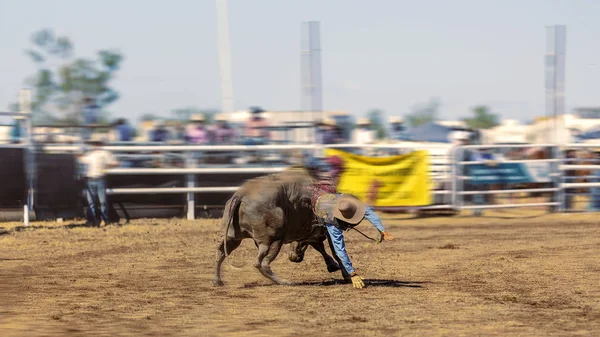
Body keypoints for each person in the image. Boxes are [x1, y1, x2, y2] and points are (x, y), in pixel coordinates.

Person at [77, 135, 118, 226]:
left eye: (96, 143)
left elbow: (114, 163)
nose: (95, 145)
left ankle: (101, 220)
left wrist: (106, 167)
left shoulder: (104, 153)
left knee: (101, 201)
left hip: (99, 178)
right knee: (92, 202)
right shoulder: (89, 154)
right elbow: (80, 161)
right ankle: (93, 220)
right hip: (91, 179)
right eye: (94, 143)